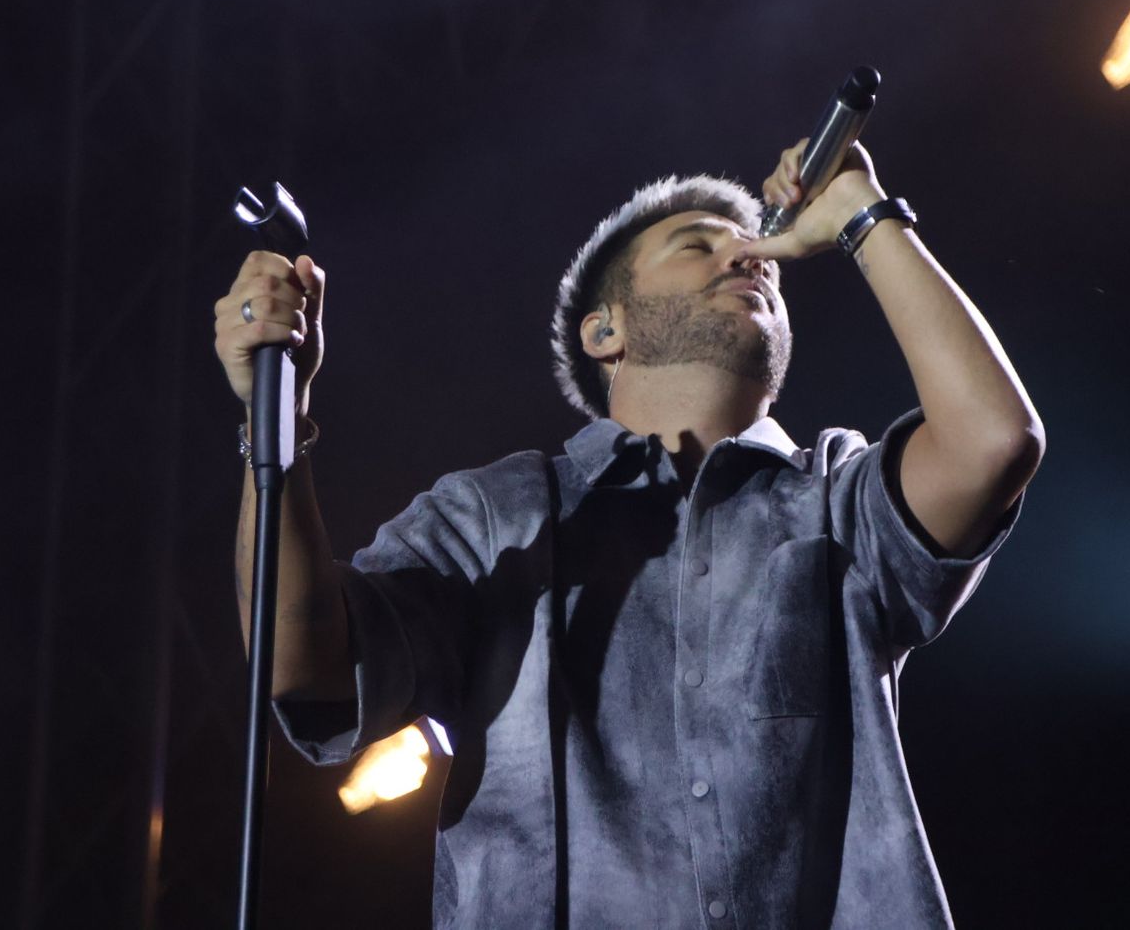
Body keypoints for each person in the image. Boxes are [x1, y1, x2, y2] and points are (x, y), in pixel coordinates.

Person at [213, 140, 1044, 929]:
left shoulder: (836, 496)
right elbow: (302, 665)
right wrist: (273, 418)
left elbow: (993, 441)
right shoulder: (497, 513)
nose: (752, 258)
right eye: (698, 244)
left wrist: (864, 214)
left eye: (760, 253)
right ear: (604, 329)